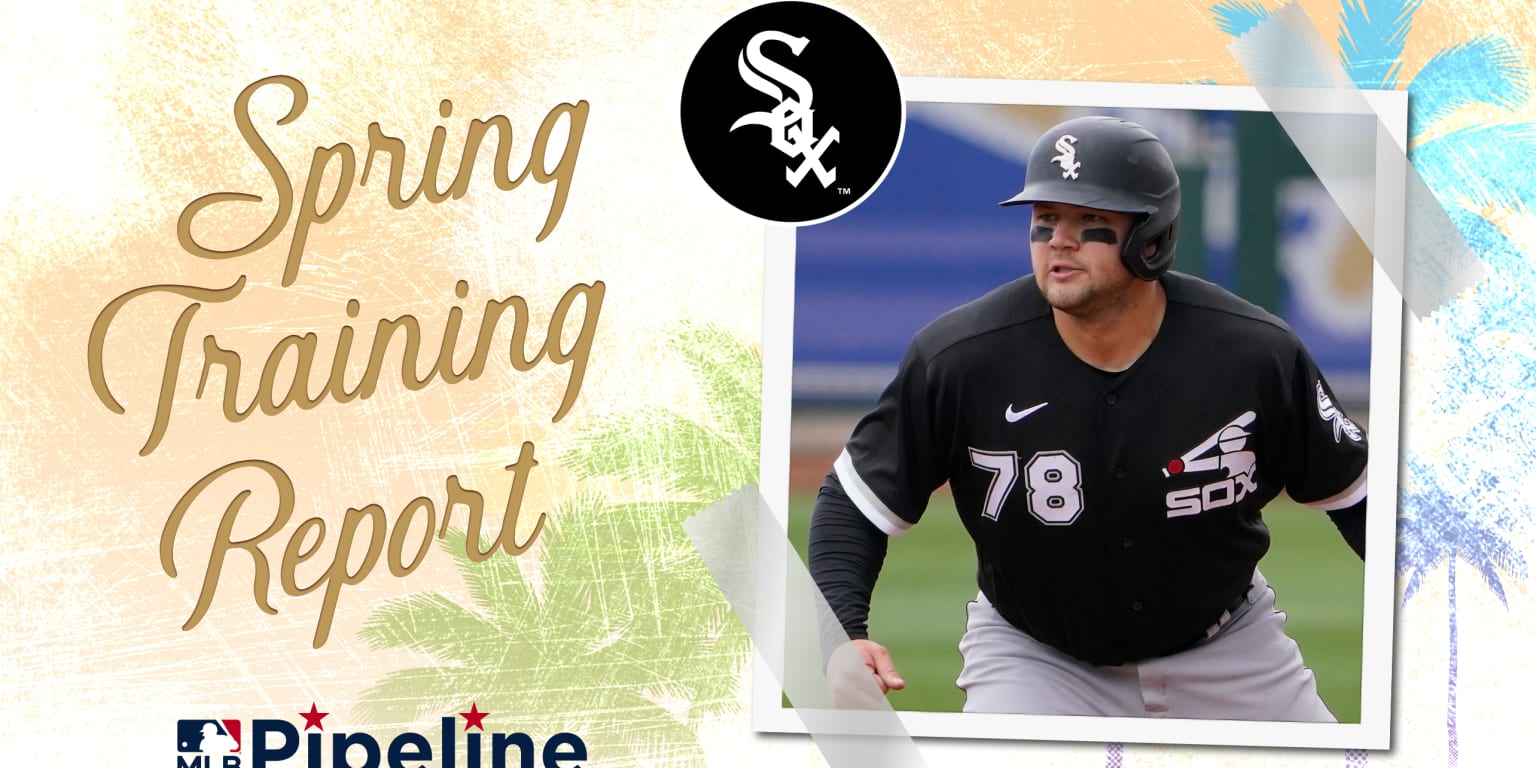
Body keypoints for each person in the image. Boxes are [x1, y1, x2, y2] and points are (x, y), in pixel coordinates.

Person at [807, 115, 1368, 721]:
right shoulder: (962, 358)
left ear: (1150, 239)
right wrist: (839, 634)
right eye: (1043, 222)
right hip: (1036, 659)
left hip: (1229, 650)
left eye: (1090, 223)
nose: (1059, 241)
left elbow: (1360, 498)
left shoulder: (1253, 354)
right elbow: (854, 502)